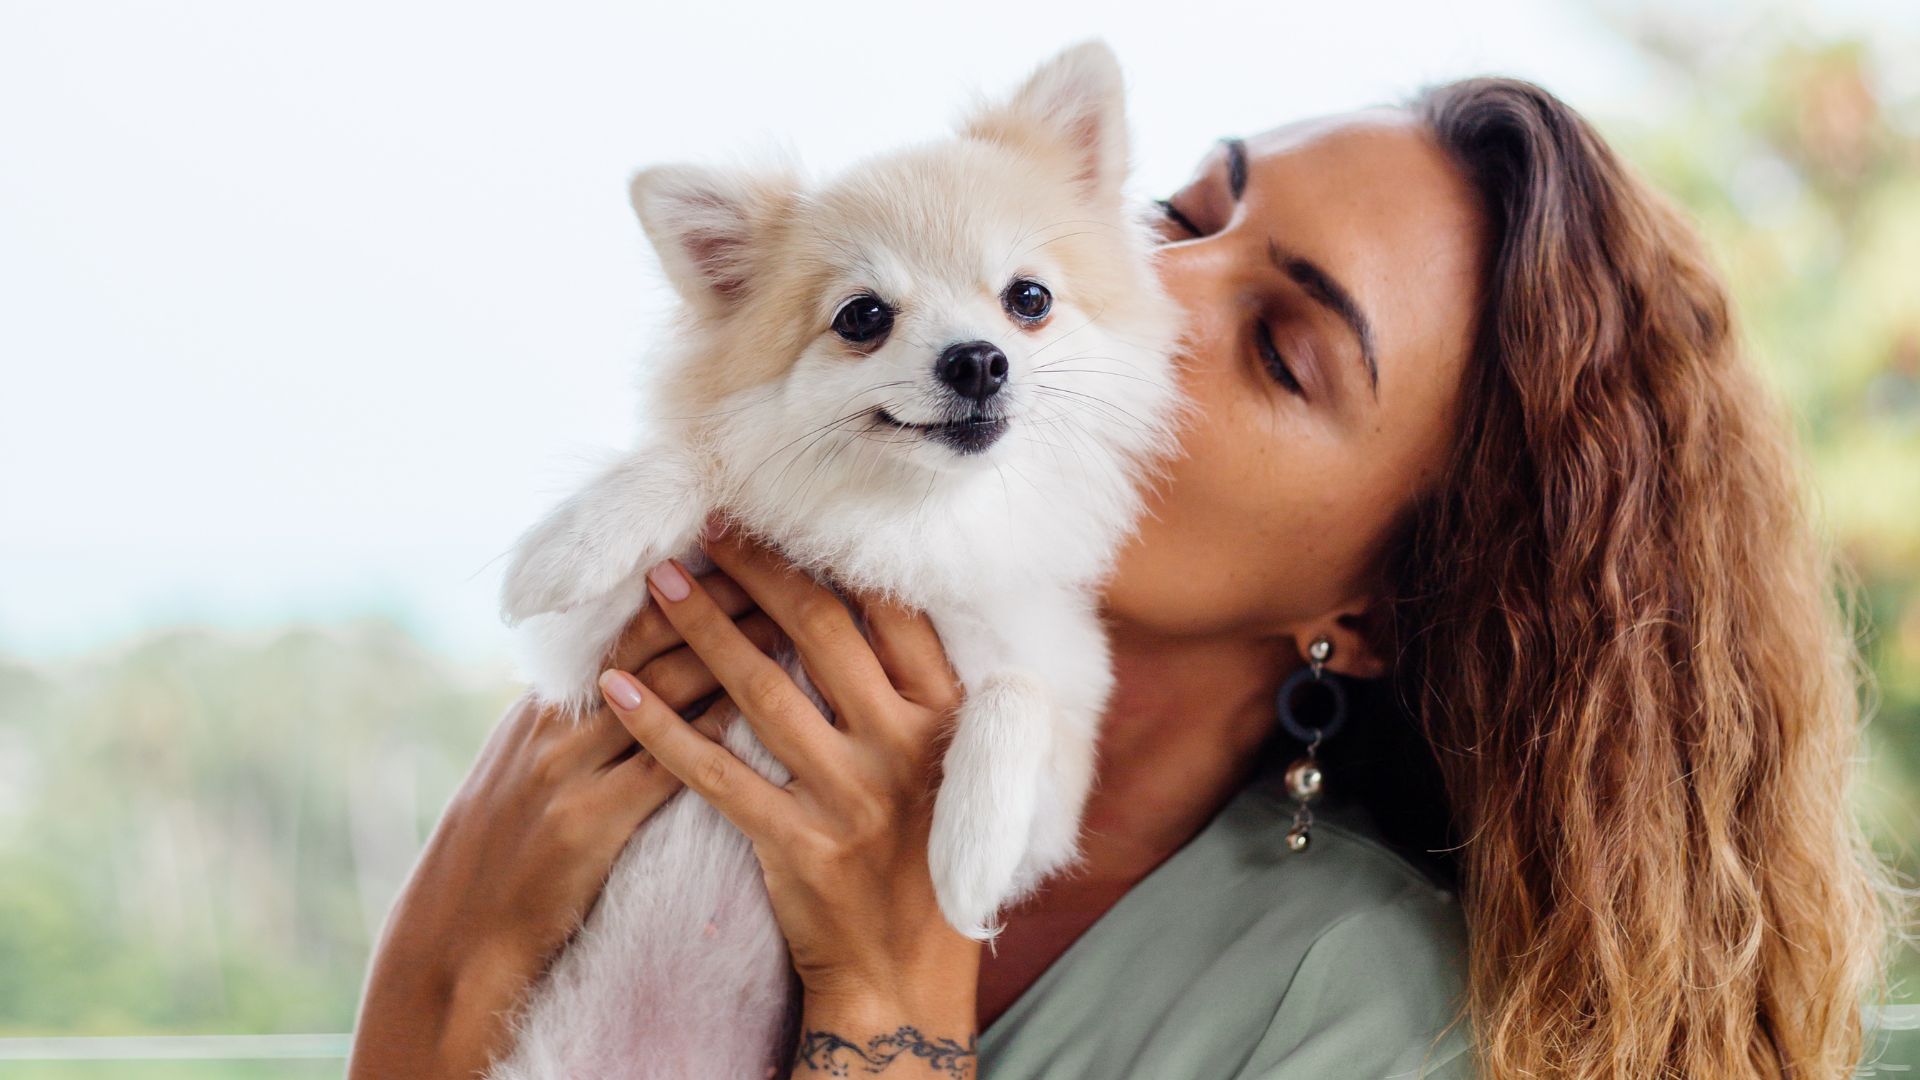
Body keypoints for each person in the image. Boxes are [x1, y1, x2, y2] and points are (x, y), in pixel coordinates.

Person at [347, 78, 1891, 1079]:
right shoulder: (720, 629)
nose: (1143, 286)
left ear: (1372, 609)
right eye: (1182, 216)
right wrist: (442, 970)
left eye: (1282, 349)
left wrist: (888, 1004)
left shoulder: (1364, 1016)